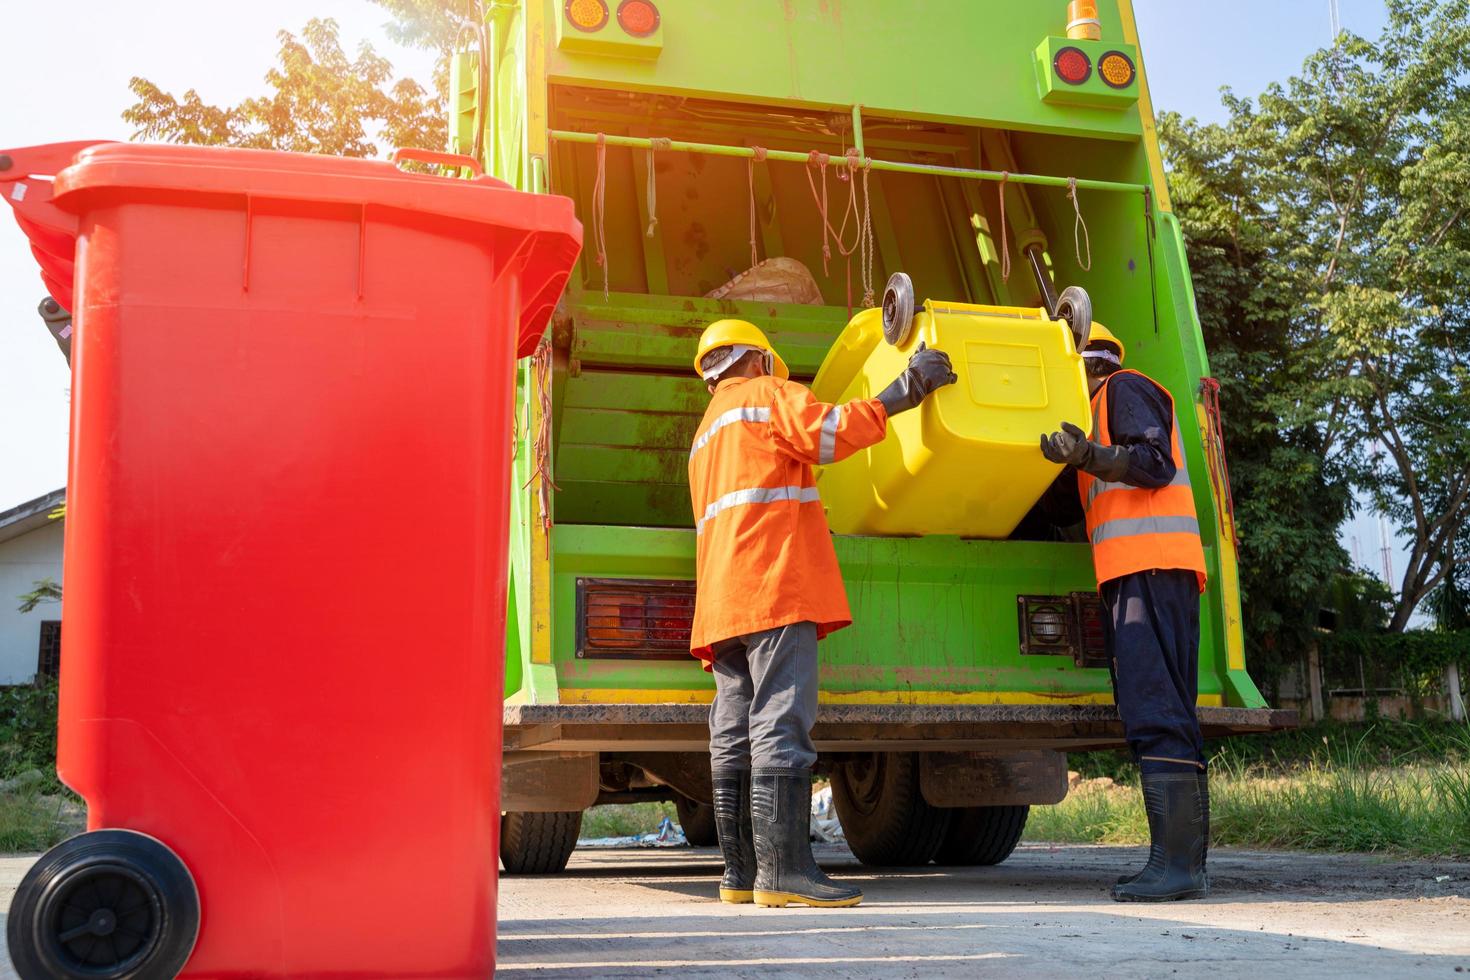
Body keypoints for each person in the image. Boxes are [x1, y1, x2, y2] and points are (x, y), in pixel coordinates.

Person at [687, 318, 954, 908]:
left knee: (732, 729)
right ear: (758, 359)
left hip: (723, 601)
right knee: (781, 720)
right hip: (775, 584)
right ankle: (784, 875)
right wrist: (905, 390)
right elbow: (827, 434)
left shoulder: (706, 434)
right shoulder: (769, 395)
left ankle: (741, 873)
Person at [1040, 324, 1210, 902]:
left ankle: (1176, 867)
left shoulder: (1122, 388)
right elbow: (1068, 502)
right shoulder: (1093, 414)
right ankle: (1185, 865)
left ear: (1085, 364)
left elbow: (1154, 463)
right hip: (1147, 571)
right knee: (1165, 710)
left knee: (1155, 707)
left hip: (1151, 568)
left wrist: (1088, 453)